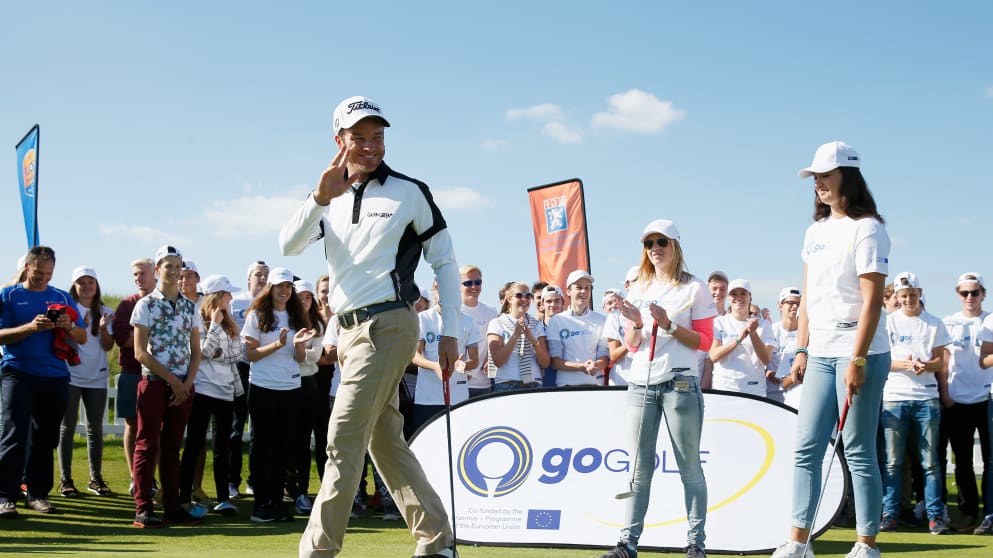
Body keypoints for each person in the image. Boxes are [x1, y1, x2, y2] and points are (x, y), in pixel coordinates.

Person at [280, 95, 461, 558]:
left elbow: (444, 261)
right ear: (338, 141)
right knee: (384, 440)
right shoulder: (328, 197)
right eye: (358, 137)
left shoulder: (409, 191)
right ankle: (438, 540)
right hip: (348, 333)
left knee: (342, 436)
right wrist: (320, 197)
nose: (370, 145)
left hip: (390, 324)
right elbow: (289, 245)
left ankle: (318, 550)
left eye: (377, 136)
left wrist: (451, 331)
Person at [771, 141, 890, 558]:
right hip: (819, 351)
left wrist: (857, 359)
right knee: (806, 447)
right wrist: (801, 350)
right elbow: (808, 297)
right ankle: (798, 542)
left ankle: (866, 544)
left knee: (857, 449)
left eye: (825, 175)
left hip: (860, 352)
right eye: (815, 177)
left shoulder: (868, 228)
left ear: (847, 177)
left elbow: (872, 301)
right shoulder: (815, 232)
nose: (818, 183)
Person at [601, 219, 715, 558]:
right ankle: (627, 544)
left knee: (689, 468)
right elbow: (632, 345)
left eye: (661, 242)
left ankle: (696, 545)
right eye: (649, 243)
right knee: (638, 469)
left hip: (680, 384)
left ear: (675, 245)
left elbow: (705, 342)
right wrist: (637, 322)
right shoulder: (638, 286)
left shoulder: (695, 288)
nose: (655, 249)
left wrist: (668, 325)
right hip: (640, 384)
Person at [0, 246, 86, 518]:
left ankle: (37, 495)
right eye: (38, 273)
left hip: (55, 376)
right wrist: (30, 328)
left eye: (49, 274)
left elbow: (82, 337)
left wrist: (68, 326)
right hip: (18, 371)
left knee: (46, 438)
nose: (43, 279)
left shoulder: (61, 296)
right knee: (13, 434)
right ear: (27, 267)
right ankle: (5, 496)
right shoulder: (9, 295)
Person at [130, 245, 202, 528]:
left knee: (172, 448)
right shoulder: (146, 305)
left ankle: (173, 507)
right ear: (158, 269)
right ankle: (143, 509)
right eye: (168, 266)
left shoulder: (190, 306)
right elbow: (140, 352)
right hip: (154, 383)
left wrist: (186, 384)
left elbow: (196, 351)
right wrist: (174, 382)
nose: (173, 271)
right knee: (147, 445)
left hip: (182, 386)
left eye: (177, 265)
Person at [878, 272, 951, 535]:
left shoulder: (934, 323)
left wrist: (924, 365)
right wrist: (907, 365)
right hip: (894, 397)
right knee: (893, 462)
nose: (908, 299)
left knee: (930, 462)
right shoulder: (887, 322)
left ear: (920, 293)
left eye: (912, 294)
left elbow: (940, 361)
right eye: (903, 295)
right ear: (897, 296)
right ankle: (889, 514)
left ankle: (935, 516)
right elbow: (883, 360)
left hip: (926, 398)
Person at [242, 267, 314, 523]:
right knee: (262, 447)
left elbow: (300, 358)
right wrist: (277, 344)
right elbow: (250, 355)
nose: (285, 290)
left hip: (290, 388)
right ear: (270, 288)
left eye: (288, 286)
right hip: (262, 387)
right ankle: (261, 505)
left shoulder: (296, 315)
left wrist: (298, 346)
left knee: (283, 448)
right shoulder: (257, 315)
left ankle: (276, 502)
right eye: (280, 286)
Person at [179, 274, 245, 517]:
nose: (231, 298)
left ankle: (223, 499)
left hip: (226, 392)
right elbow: (203, 352)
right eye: (227, 294)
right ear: (217, 296)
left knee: (222, 447)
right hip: (203, 390)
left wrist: (221, 347)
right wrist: (215, 328)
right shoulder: (196, 320)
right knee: (194, 444)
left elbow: (236, 356)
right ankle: (184, 497)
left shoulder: (229, 323)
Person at [57, 266, 115, 497]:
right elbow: (61, 340)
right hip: (70, 375)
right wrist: (75, 325)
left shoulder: (106, 312)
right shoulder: (66, 310)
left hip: (97, 377)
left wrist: (102, 329)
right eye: (82, 282)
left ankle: (95, 478)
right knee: (67, 428)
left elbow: (108, 346)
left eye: (91, 282)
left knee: (95, 430)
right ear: (74, 286)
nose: (87, 286)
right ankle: (66, 480)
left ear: (96, 285)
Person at [941, 272, 991, 531]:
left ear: (984, 294)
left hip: (987, 397)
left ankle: (989, 512)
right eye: (964, 293)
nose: (970, 297)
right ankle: (967, 513)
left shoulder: (989, 321)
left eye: (975, 292)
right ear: (958, 294)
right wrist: (945, 394)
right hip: (957, 399)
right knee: (962, 461)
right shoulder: (948, 322)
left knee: (991, 460)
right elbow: (943, 360)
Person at [112, 258, 156, 496]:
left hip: (159, 373)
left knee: (157, 426)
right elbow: (124, 340)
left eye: (142, 273)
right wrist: (157, 338)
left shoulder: (164, 302)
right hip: (132, 371)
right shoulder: (126, 305)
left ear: (155, 273)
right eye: (135, 275)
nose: (138, 278)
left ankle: (151, 477)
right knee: (132, 423)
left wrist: (140, 337)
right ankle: (135, 477)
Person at [412, 283, 480, 429]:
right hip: (427, 398)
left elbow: (475, 360)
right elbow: (415, 355)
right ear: (434, 290)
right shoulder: (422, 318)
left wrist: (464, 365)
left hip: (458, 399)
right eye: (438, 287)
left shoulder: (468, 321)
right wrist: (435, 366)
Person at [228, 259, 268, 499]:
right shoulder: (236, 302)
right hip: (239, 368)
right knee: (236, 427)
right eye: (258, 274)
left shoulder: (271, 305)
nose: (262, 279)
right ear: (249, 278)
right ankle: (232, 481)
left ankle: (255, 479)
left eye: (265, 275)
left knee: (258, 430)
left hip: (263, 369)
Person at [287, 279, 326, 516]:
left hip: (307, 384)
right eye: (300, 296)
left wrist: (295, 350)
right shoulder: (284, 319)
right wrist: (295, 351)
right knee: (287, 440)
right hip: (284, 383)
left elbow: (312, 356)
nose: (304, 301)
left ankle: (301, 491)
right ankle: (287, 487)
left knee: (304, 440)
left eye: (308, 297)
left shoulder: (317, 324)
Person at [709, 279, 775, 397]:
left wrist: (753, 334)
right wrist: (739, 339)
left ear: (750, 297)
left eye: (743, 293)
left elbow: (766, 360)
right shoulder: (719, 322)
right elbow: (713, 356)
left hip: (754, 390)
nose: (738, 298)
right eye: (734, 294)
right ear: (729, 298)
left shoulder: (764, 325)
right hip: (724, 388)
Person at [546, 270, 609, 387]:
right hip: (567, 385)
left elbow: (604, 356)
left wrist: (596, 365)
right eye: (579, 287)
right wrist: (581, 367)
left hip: (595, 385)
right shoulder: (557, 321)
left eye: (587, 288)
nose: (583, 291)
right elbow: (555, 361)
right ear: (569, 291)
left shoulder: (602, 320)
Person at [486, 282, 549, 393]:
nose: (524, 299)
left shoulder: (536, 324)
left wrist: (532, 339)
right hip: (507, 385)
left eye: (528, 296)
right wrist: (515, 336)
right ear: (510, 299)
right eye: (519, 295)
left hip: (534, 384)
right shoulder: (497, 323)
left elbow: (545, 363)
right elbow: (498, 361)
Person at [461, 265, 498, 399]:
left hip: (485, 383)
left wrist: (490, 359)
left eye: (478, 282)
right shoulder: (454, 311)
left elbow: (495, 342)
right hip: (460, 383)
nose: (474, 286)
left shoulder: (491, 311)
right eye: (468, 283)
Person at [768, 287, 803, 407]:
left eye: (798, 303)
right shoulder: (771, 331)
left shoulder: (806, 334)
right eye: (790, 303)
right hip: (773, 393)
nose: (795, 306)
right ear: (780, 305)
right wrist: (767, 372)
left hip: (797, 394)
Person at [540, 285, 565, 387]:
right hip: (543, 384)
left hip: (567, 382)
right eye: (549, 301)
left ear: (563, 303)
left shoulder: (570, 327)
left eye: (557, 301)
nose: (553, 304)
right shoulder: (535, 329)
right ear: (542, 304)